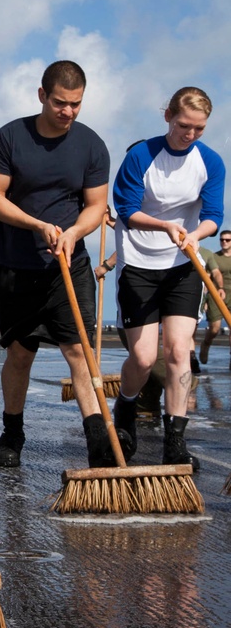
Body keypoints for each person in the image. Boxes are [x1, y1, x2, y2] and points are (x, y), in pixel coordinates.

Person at [0, 61, 110, 469]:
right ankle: (12, 432)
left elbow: (95, 206)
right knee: (20, 354)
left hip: (68, 267)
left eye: (76, 104)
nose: (68, 112)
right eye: (60, 103)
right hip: (18, 266)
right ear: (42, 95)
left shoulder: (92, 145)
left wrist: (72, 233)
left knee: (79, 351)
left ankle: (97, 443)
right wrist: (37, 225)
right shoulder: (9, 138)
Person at [111, 87, 224, 467]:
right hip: (138, 264)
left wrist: (196, 234)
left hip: (182, 265)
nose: (189, 135)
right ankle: (125, 407)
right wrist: (164, 225)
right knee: (143, 359)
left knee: (179, 352)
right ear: (168, 117)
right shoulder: (140, 156)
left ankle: (175, 438)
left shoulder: (210, 162)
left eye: (199, 129)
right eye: (183, 126)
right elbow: (126, 210)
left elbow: (213, 214)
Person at [200, 229, 231, 366]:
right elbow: (208, 277)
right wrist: (204, 298)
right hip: (217, 295)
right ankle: (206, 344)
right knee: (214, 328)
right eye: (222, 239)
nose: (224, 242)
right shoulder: (214, 257)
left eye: (227, 240)